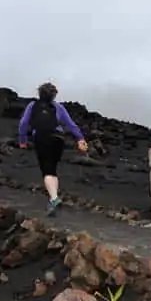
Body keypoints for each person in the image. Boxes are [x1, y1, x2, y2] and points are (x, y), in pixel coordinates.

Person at [18, 82, 88, 216]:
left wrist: (22, 140)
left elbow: (23, 123)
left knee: (47, 170)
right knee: (52, 169)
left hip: (41, 137)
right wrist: (80, 139)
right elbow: (71, 124)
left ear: (39, 93)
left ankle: (55, 199)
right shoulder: (58, 107)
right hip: (58, 138)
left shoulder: (33, 106)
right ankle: (53, 198)